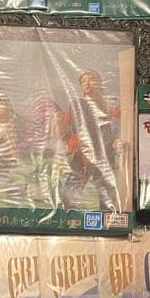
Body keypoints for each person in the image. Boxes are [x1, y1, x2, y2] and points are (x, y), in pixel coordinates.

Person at [65, 70, 122, 209]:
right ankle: (69, 218)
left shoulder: (109, 104)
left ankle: (107, 221)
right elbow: (70, 127)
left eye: (91, 79)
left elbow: (117, 127)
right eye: (83, 81)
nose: (87, 83)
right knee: (70, 193)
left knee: (107, 198)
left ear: (98, 83)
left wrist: (117, 139)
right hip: (83, 154)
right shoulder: (77, 104)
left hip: (104, 154)